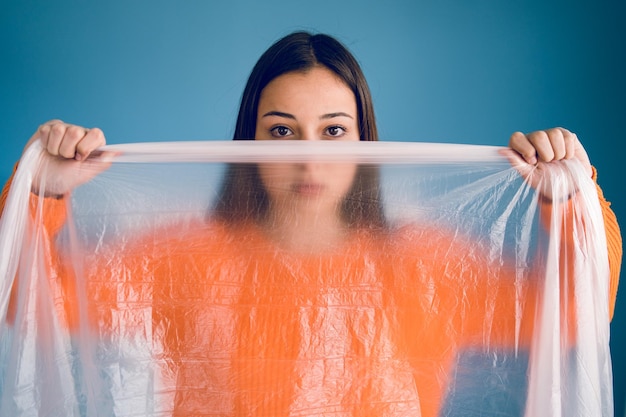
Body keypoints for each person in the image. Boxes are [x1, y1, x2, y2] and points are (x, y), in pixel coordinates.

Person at [0, 31, 622, 416]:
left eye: (332, 131)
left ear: (364, 140)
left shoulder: (426, 267)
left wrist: (569, 200)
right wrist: (39, 195)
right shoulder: (182, 259)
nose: (307, 156)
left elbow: (573, 314)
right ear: (247, 142)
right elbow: (24, 303)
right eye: (279, 131)